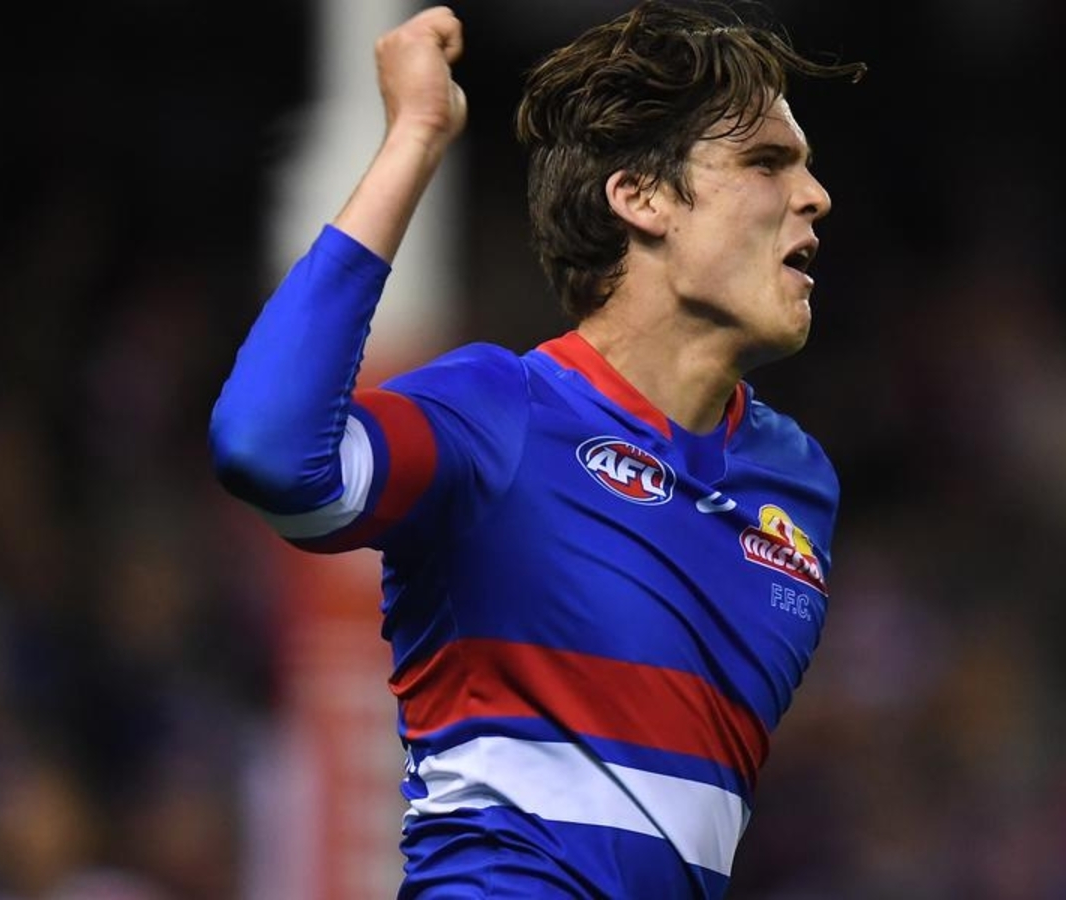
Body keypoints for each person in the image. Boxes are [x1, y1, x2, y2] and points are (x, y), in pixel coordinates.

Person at [209, 2, 864, 896]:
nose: (814, 194)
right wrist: (413, 141)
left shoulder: (797, 484)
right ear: (641, 197)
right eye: (765, 161)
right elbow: (266, 449)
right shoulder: (501, 413)